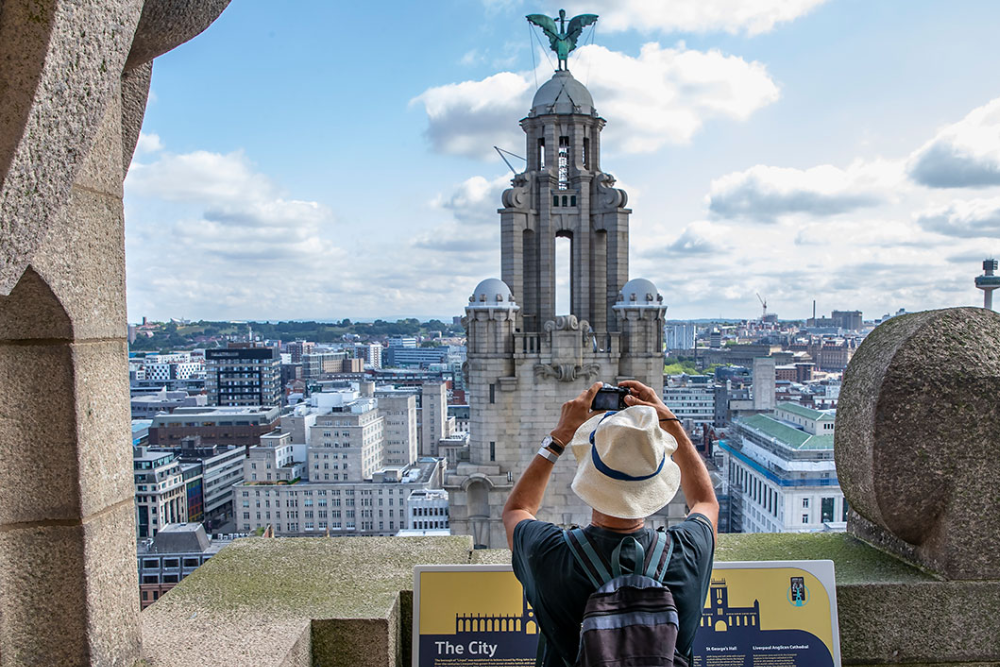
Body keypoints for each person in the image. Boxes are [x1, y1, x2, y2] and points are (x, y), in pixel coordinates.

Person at [503, 380, 718, 667]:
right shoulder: (689, 551)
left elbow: (517, 509)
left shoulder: (549, 554)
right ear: (656, 479)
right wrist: (670, 424)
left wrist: (559, 436)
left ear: (590, 473)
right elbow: (705, 502)